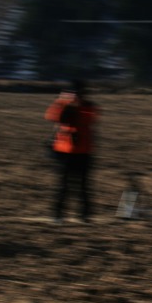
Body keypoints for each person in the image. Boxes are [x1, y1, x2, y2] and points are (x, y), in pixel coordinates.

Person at [45, 80, 99, 224]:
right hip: (65, 150)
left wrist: (74, 105)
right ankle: (58, 215)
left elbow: (89, 119)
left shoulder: (89, 107)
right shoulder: (62, 104)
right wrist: (63, 102)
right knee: (63, 185)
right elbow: (52, 117)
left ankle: (85, 215)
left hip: (83, 151)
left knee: (83, 185)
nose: (76, 96)